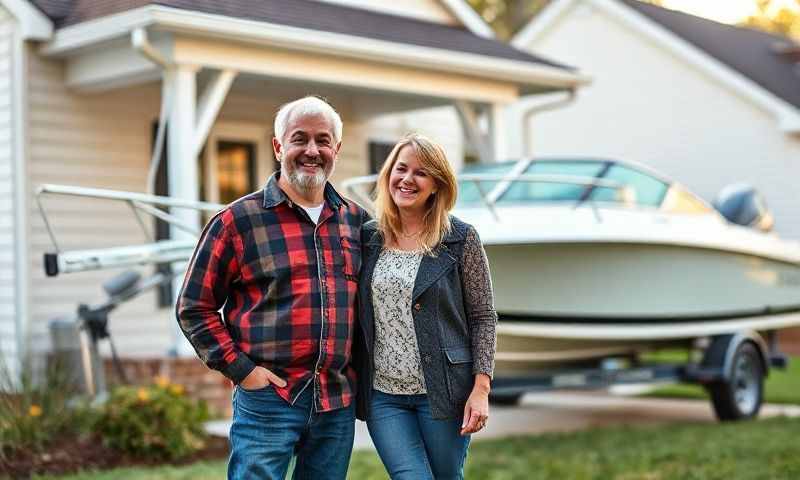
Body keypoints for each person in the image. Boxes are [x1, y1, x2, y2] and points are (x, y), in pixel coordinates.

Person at [176, 96, 368, 480]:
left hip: (335, 402)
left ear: (337, 150)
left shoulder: (358, 223)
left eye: (323, 140)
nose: (312, 151)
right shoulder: (236, 221)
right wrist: (243, 371)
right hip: (268, 400)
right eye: (299, 139)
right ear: (278, 146)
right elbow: (193, 307)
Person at [353, 133, 497, 480]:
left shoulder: (461, 239)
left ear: (437, 184)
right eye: (400, 169)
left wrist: (481, 389)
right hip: (383, 396)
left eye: (421, 173)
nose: (407, 179)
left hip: (445, 393)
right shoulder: (368, 238)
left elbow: (483, 317)